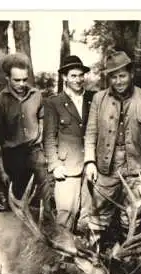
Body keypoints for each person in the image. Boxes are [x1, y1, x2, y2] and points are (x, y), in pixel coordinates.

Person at [84, 50, 141, 250]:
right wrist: (90, 161)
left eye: (122, 75)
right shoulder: (99, 99)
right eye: (113, 77)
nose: (118, 81)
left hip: (136, 167)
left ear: (131, 74)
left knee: (132, 214)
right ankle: (93, 255)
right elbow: (91, 132)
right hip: (106, 166)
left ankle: (128, 256)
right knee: (99, 212)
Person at [0, 52, 50, 220]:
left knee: (43, 205)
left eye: (25, 79)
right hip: (12, 159)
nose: (22, 84)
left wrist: (40, 135)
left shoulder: (36, 95)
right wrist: (1, 171)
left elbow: (42, 118)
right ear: (8, 78)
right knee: (17, 209)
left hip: (35, 155)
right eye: (17, 80)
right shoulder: (0, 101)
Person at [43, 55, 95, 231]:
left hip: (90, 166)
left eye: (81, 75)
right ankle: (63, 255)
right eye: (73, 76)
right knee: (65, 215)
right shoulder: (53, 102)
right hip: (67, 168)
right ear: (64, 77)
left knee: (89, 215)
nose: (78, 80)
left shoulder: (93, 98)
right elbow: (49, 137)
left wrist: (93, 161)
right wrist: (55, 164)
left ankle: (87, 253)